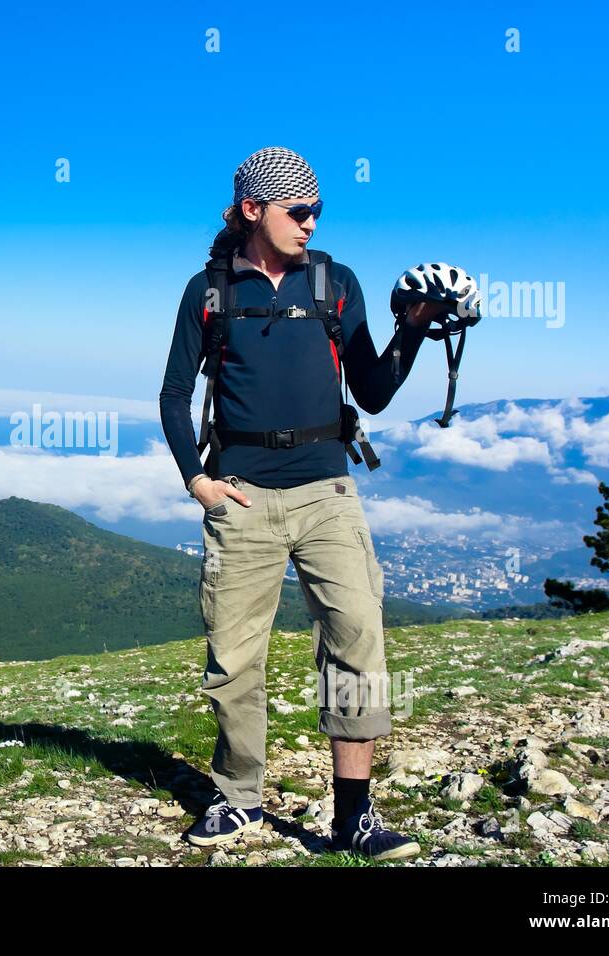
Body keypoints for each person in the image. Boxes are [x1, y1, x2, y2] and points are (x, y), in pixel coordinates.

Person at [158, 146, 447, 860]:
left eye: (318, 210)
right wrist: (196, 479)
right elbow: (172, 393)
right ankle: (238, 802)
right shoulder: (209, 290)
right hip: (243, 496)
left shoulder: (334, 283)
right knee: (233, 659)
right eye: (299, 210)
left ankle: (355, 818)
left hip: (328, 493)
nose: (311, 222)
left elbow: (372, 392)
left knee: (356, 642)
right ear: (254, 210)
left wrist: (412, 329)